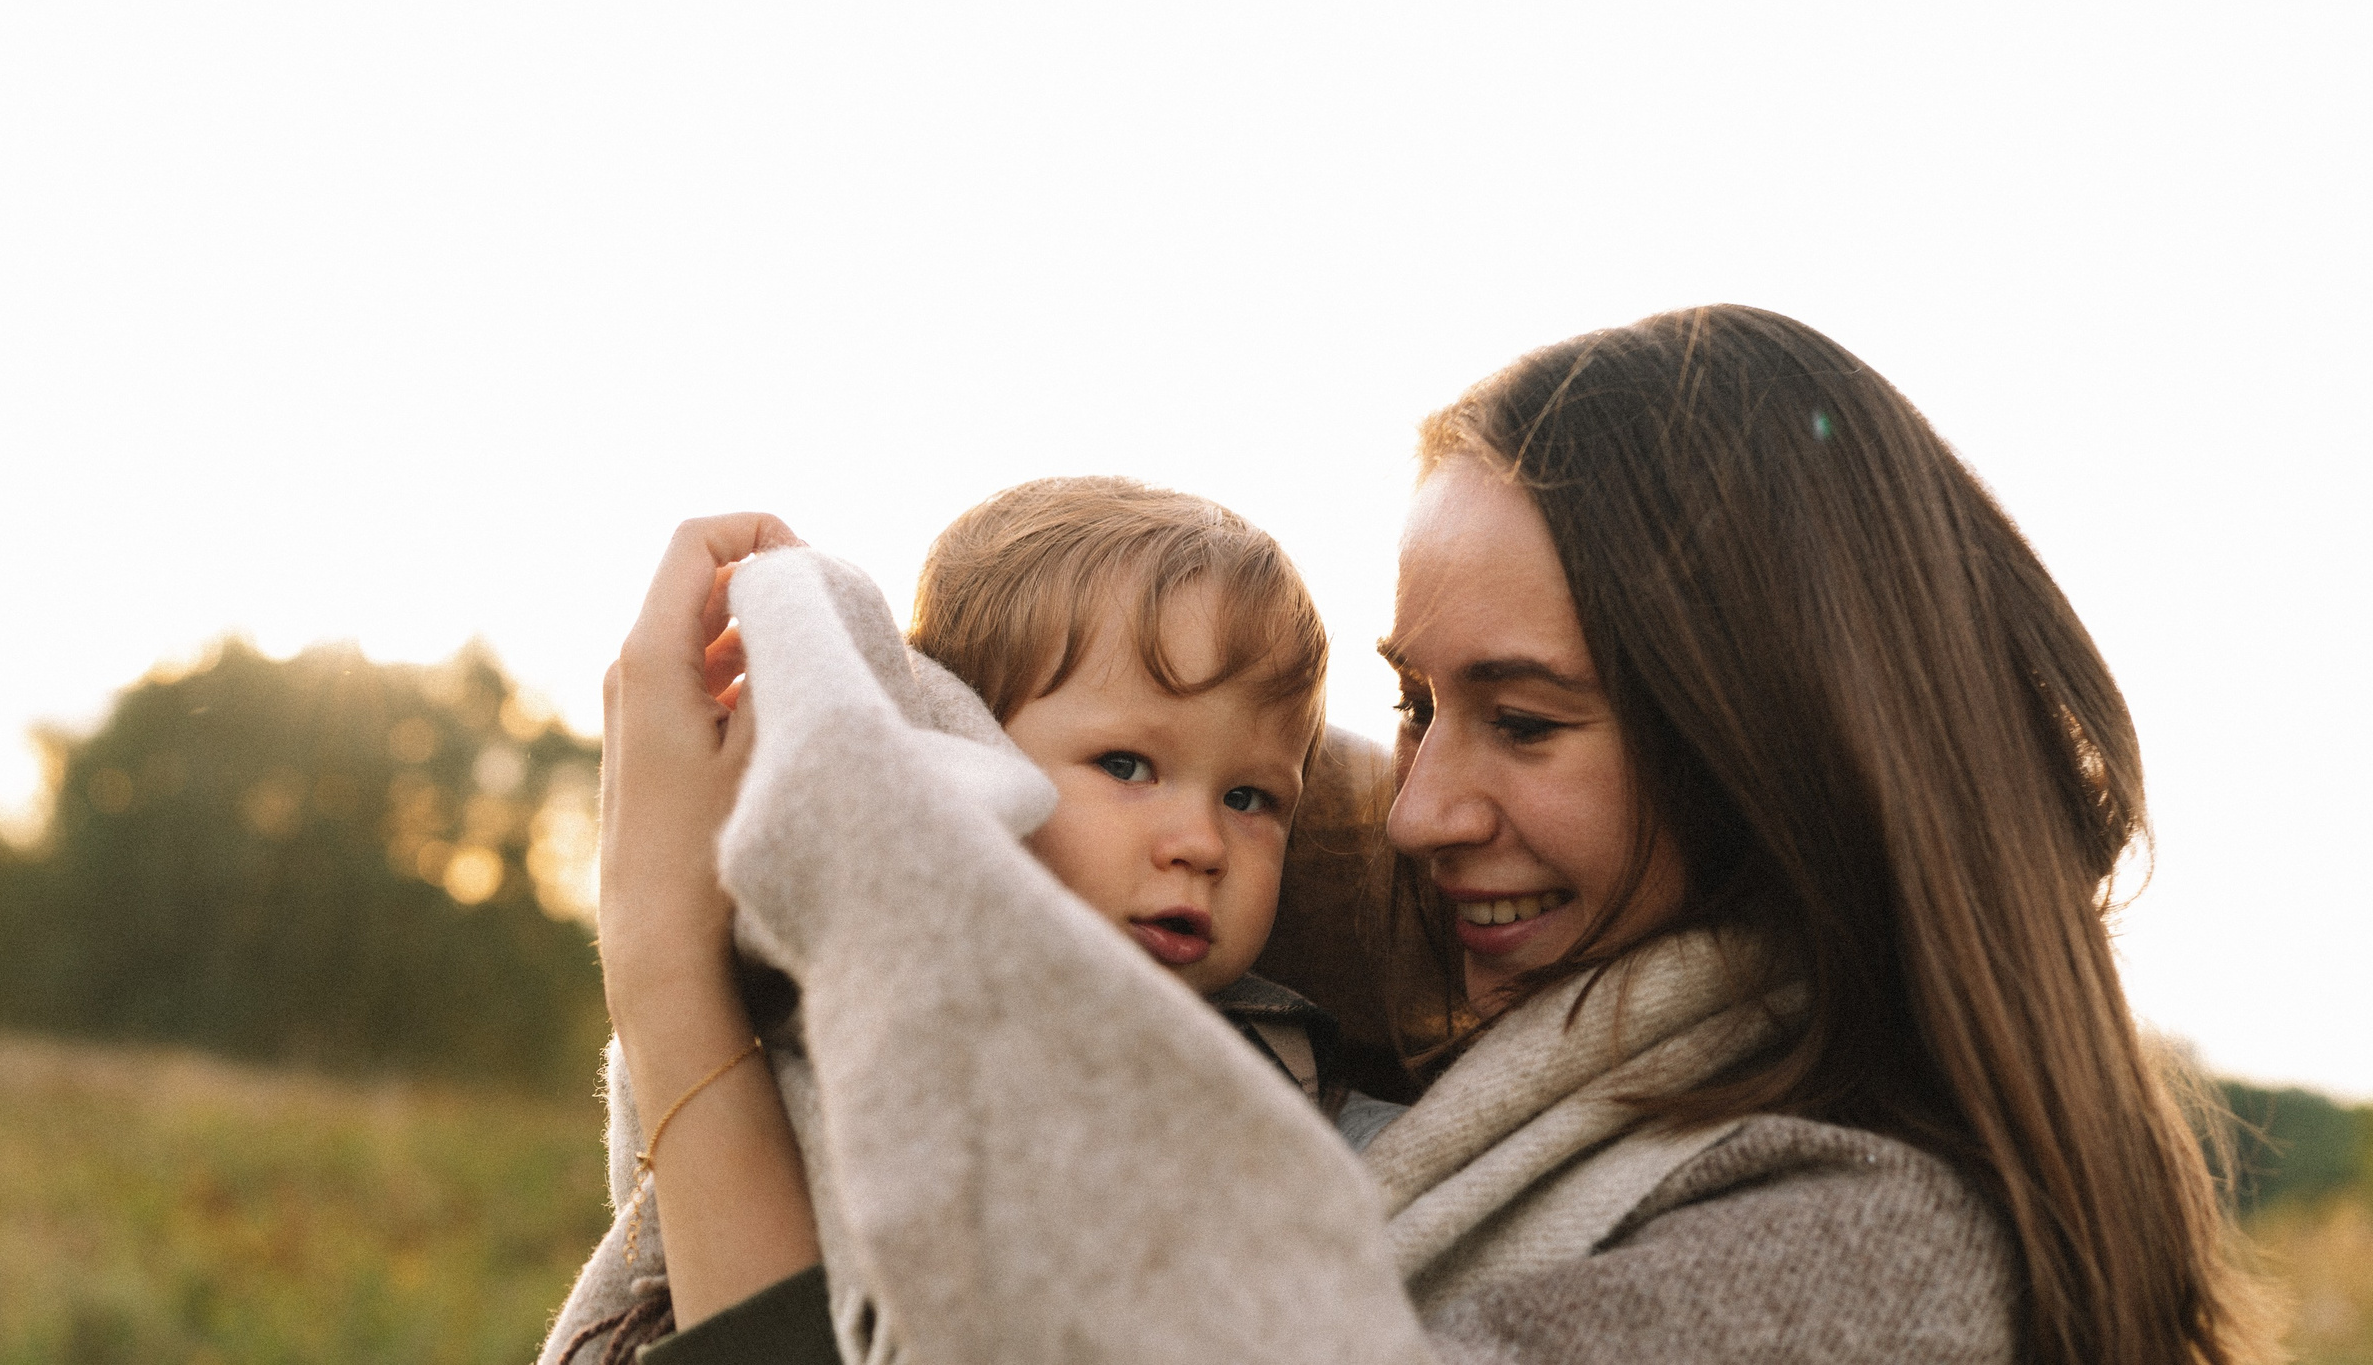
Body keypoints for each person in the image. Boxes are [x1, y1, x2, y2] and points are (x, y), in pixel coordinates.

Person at [586, 306, 2275, 1365]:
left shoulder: (1862, 1253)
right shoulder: (1434, 997)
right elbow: (1108, 742)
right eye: (1413, 706)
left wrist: (671, 955)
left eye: (1524, 719)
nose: (1417, 809)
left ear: (1773, 746)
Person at [542, 477, 1391, 1365]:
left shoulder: (1302, 1093)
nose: (1202, 841)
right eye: (1129, 764)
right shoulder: (874, 1031)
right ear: (966, 754)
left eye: (1250, 796)